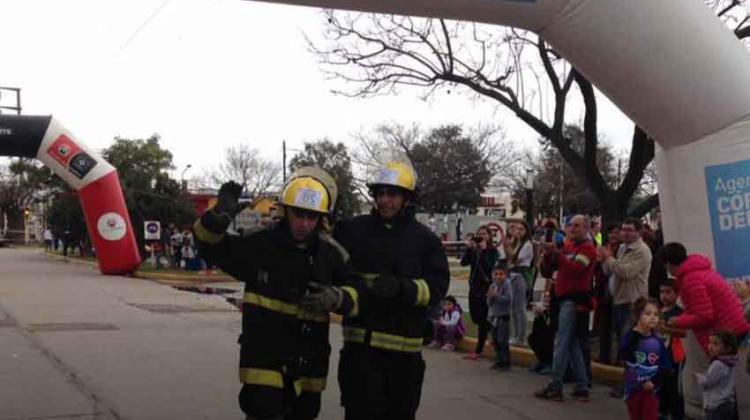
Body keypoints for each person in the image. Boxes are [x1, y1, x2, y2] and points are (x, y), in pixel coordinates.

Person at [193, 169, 360, 420]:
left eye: (312, 217)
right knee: (264, 411)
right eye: (299, 214)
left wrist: (337, 298)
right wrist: (218, 217)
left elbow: (356, 294)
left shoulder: (332, 255)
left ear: (322, 218)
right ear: (285, 211)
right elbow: (210, 246)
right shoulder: (260, 244)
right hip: (264, 359)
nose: (304, 223)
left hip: (309, 366)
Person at [334, 158, 450, 420]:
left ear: (407, 198)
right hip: (359, 355)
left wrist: (404, 289)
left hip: (403, 361)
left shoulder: (424, 240)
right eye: (380, 193)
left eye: (393, 194)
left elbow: (438, 286)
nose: (385, 200)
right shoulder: (353, 231)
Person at [535, 215, 597, 402]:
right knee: (572, 345)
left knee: (562, 343)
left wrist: (558, 254)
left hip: (574, 301)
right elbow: (547, 271)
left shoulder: (588, 248)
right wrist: (548, 255)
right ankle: (581, 386)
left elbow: (575, 268)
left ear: (586, 228)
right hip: (561, 299)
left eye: (577, 225)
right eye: (569, 225)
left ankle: (555, 386)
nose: (572, 228)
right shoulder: (567, 247)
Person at [659, 243, 750, 352]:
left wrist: (677, 321)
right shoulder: (698, 272)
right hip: (733, 327)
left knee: (721, 368)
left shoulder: (691, 280)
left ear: (668, 264)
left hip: (727, 333)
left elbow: (704, 317)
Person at [600, 218, 653, 365]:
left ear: (638, 232)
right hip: (618, 299)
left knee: (629, 341)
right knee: (619, 340)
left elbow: (626, 272)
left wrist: (609, 258)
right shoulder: (623, 248)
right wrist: (605, 260)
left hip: (632, 301)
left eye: (629, 230)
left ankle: (631, 381)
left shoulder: (642, 251)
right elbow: (611, 270)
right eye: (623, 229)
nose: (625, 233)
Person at [620, 297, 672, 420]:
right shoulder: (630, 336)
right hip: (633, 389)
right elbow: (626, 356)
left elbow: (665, 367)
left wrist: (653, 382)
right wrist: (637, 333)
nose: (652, 317)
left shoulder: (657, 341)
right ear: (638, 316)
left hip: (651, 391)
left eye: (656, 314)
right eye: (647, 314)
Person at [460, 225, 500, 360]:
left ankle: (479, 349)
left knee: (482, 321)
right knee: (475, 317)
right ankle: (493, 334)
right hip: (473, 287)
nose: (481, 236)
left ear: (489, 236)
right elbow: (463, 263)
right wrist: (469, 248)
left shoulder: (492, 251)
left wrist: (483, 251)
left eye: (484, 234)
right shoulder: (474, 251)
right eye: (479, 233)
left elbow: (491, 268)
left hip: (485, 288)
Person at [657, 280, 686, 420]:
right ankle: (661, 411)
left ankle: (676, 414)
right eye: (662, 292)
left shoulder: (679, 313)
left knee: (673, 388)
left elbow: (684, 332)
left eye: (668, 292)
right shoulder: (656, 312)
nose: (664, 296)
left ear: (677, 294)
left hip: (673, 355)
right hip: (657, 356)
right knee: (660, 386)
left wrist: (667, 329)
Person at [593, 224, 622, 364]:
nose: (613, 236)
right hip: (604, 290)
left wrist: (609, 259)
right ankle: (604, 355)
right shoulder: (604, 247)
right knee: (604, 326)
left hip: (618, 291)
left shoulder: (623, 250)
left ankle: (619, 358)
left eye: (616, 232)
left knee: (618, 328)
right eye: (611, 233)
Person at [502, 220, 534, 346]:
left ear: (526, 231)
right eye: (517, 229)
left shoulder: (527, 244)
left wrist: (507, 246)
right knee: (514, 309)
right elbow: (508, 259)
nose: (518, 231)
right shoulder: (516, 243)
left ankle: (521, 337)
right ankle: (516, 335)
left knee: (519, 308)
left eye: (521, 229)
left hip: (520, 277)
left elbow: (514, 259)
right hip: (512, 276)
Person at [696, 331, 740, 420]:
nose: (710, 346)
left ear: (728, 348)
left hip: (716, 405)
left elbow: (707, 382)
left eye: (715, 344)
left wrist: (699, 377)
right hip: (728, 402)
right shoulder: (730, 361)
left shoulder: (717, 364)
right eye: (710, 343)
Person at [487, 265, 512, 371]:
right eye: (496, 274)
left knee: (502, 340)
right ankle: (499, 360)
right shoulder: (492, 286)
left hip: (503, 316)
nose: (498, 277)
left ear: (505, 275)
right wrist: (491, 297)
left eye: (501, 274)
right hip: (494, 316)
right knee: (495, 340)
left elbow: (508, 300)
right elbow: (488, 302)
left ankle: (506, 362)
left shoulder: (507, 285)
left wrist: (496, 295)